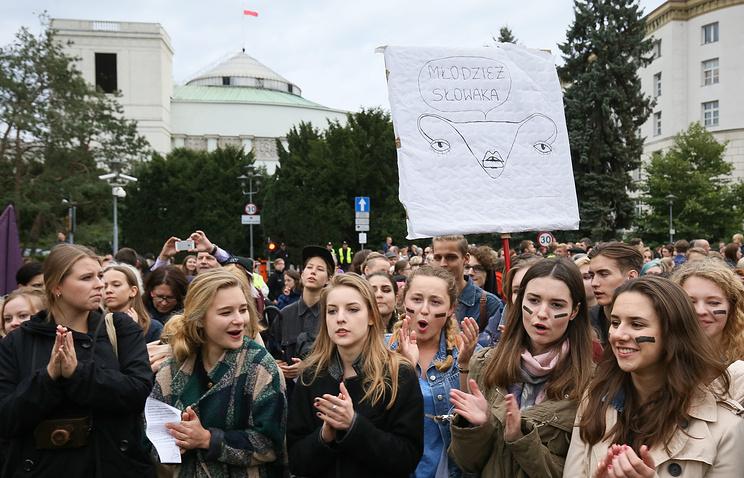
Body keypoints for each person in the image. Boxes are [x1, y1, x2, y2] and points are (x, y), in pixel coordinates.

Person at [563, 276, 744, 477]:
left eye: (637, 324)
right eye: (615, 322)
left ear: (672, 333)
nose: (618, 335)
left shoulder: (725, 426)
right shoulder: (595, 399)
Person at [0, 244, 154, 477]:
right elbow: (6, 418)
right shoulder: (18, 342)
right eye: (87, 277)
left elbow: (138, 391)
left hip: (111, 467)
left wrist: (77, 373)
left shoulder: (120, 329)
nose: (100, 284)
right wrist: (49, 377)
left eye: (100, 275)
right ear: (56, 287)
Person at [449, 258, 594, 477]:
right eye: (534, 300)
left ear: (574, 311)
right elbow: (467, 464)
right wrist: (478, 427)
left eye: (557, 304)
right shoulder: (484, 363)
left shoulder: (590, 383)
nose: (542, 313)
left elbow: (576, 471)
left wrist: (520, 438)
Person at [150, 269, 286, 477]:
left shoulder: (260, 367)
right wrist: (172, 445)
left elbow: (270, 445)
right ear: (200, 318)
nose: (239, 320)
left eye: (242, 310)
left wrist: (207, 439)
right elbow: (149, 438)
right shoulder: (172, 368)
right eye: (226, 312)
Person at [287, 273, 423, 478]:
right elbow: (296, 460)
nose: (340, 318)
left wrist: (353, 425)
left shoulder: (399, 374)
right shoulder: (310, 376)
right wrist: (324, 436)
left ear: (371, 316)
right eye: (332, 311)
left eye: (352, 309)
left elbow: (406, 458)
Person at [391, 265, 479, 478]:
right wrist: (402, 368)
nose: (424, 310)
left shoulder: (465, 352)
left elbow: (470, 423)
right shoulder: (381, 350)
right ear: (404, 301)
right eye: (417, 299)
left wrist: (466, 365)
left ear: (451, 308)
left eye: (436, 302)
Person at [673, 259, 744, 400]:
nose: (700, 311)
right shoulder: (657, 360)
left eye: (714, 303)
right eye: (690, 302)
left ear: (731, 308)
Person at [271, 246, 335, 390]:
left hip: (324, 394)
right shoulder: (284, 314)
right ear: (302, 274)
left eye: (320, 269)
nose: (313, 271)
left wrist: (307, 368)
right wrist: (276, 365)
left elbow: (341, 359)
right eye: (309, 267)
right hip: (288, 395)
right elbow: (272, 351)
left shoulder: (333, 315)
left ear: (328, 279)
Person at [432, 235, 503, 346]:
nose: (443, 264)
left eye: (451, 257)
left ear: (466, 259)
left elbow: (494, 353)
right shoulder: (423, 300)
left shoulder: (490, 303)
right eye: (437, 258)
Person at [588, 242, 642, 346]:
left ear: (631, 277)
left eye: (604, 274)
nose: (594, 283)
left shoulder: (655, 318)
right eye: (591, 275)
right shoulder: (586, 321)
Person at [103, 264, 163, 342]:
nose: (108, 290)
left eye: (116, 285)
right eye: (104, 286)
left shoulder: (153, 329)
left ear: (133, 291)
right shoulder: (94, 326)